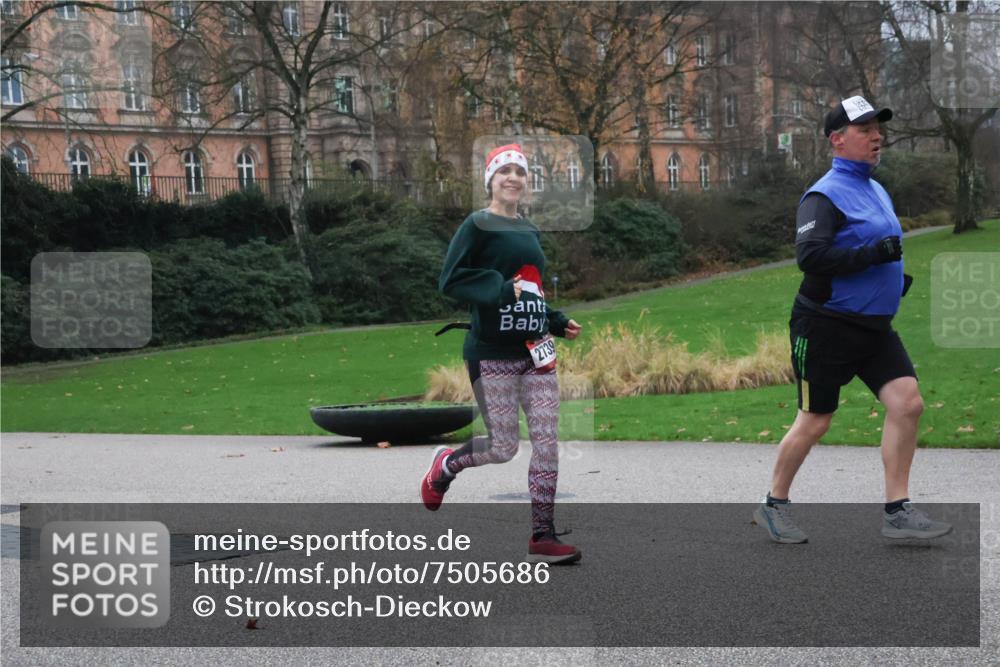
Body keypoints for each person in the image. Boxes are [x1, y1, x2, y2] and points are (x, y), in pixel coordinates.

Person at [753, 96, 952, 543]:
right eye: (865, 130)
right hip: (825, 326)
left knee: (908, 404)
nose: (877, 136)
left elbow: (878, 247)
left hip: (873, 327)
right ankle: (773, 505)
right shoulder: (824, 195)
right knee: (816, 419)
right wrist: (873, 257)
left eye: (878, 128)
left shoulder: (876, 188)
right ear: (838, 140)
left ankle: (897, 511)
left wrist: (891, 280)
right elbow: (811, 256)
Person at [420, 143, 583, 564]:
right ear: (490, 180)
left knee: (547, 444)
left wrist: (555, 321)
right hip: (491, 351)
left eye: (520, 172)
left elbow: (528, 288)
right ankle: (446, 466)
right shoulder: (477, 225)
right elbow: (450, 279)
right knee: (503, 447)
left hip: (535, 354)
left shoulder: (529, 230)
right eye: (504, 171)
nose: (513, 178)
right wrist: (494, 287)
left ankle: (541, 535)